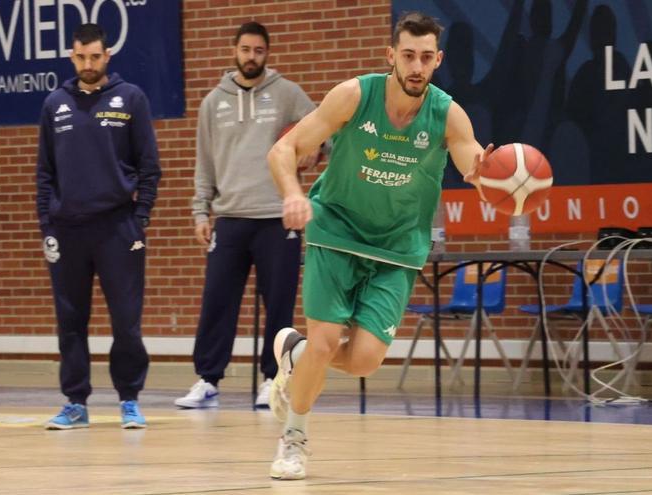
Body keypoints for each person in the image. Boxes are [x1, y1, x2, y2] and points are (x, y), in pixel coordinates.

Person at [265, 12, 493, 480]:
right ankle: (294, 439)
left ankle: (295, 354)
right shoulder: (354, 95)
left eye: (426, 57)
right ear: (391, 55)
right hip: (337, 231)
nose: (416, 65)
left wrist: (485, 175)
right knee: (327, 343)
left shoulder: (447, 113)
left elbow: (471, 158)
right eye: (408, 55)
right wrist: (292, 193)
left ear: (438, 60)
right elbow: (282, 150)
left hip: (396, 248)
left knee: (365, 359)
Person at [175, 21, 323, 409]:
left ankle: (273, 380)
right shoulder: (212, 102)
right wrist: (199, 211)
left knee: (279, 305)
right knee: (217, 302)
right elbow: (204, 164)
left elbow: (323, 129)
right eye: (245, 50)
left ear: (267, 53)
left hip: (278, 218)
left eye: (258, 51)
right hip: (230, 218)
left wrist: (315, 151)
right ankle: (207, 379)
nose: (251, 57)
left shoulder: (287, 93)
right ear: (234, 51)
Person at [36, 23, 161, 429]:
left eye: (94, 56)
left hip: (118, 229)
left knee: (126, 320)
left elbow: (149, 168)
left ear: (107, 56)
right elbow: (44, 173)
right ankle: (75, 402)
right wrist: (46, 225)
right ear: (72, 58)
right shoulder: (55, 104)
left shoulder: (131, 99)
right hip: (67, 231)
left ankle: (129, 399)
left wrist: (139, 220)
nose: (88, 64)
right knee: (70, 321)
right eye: (80, 57)